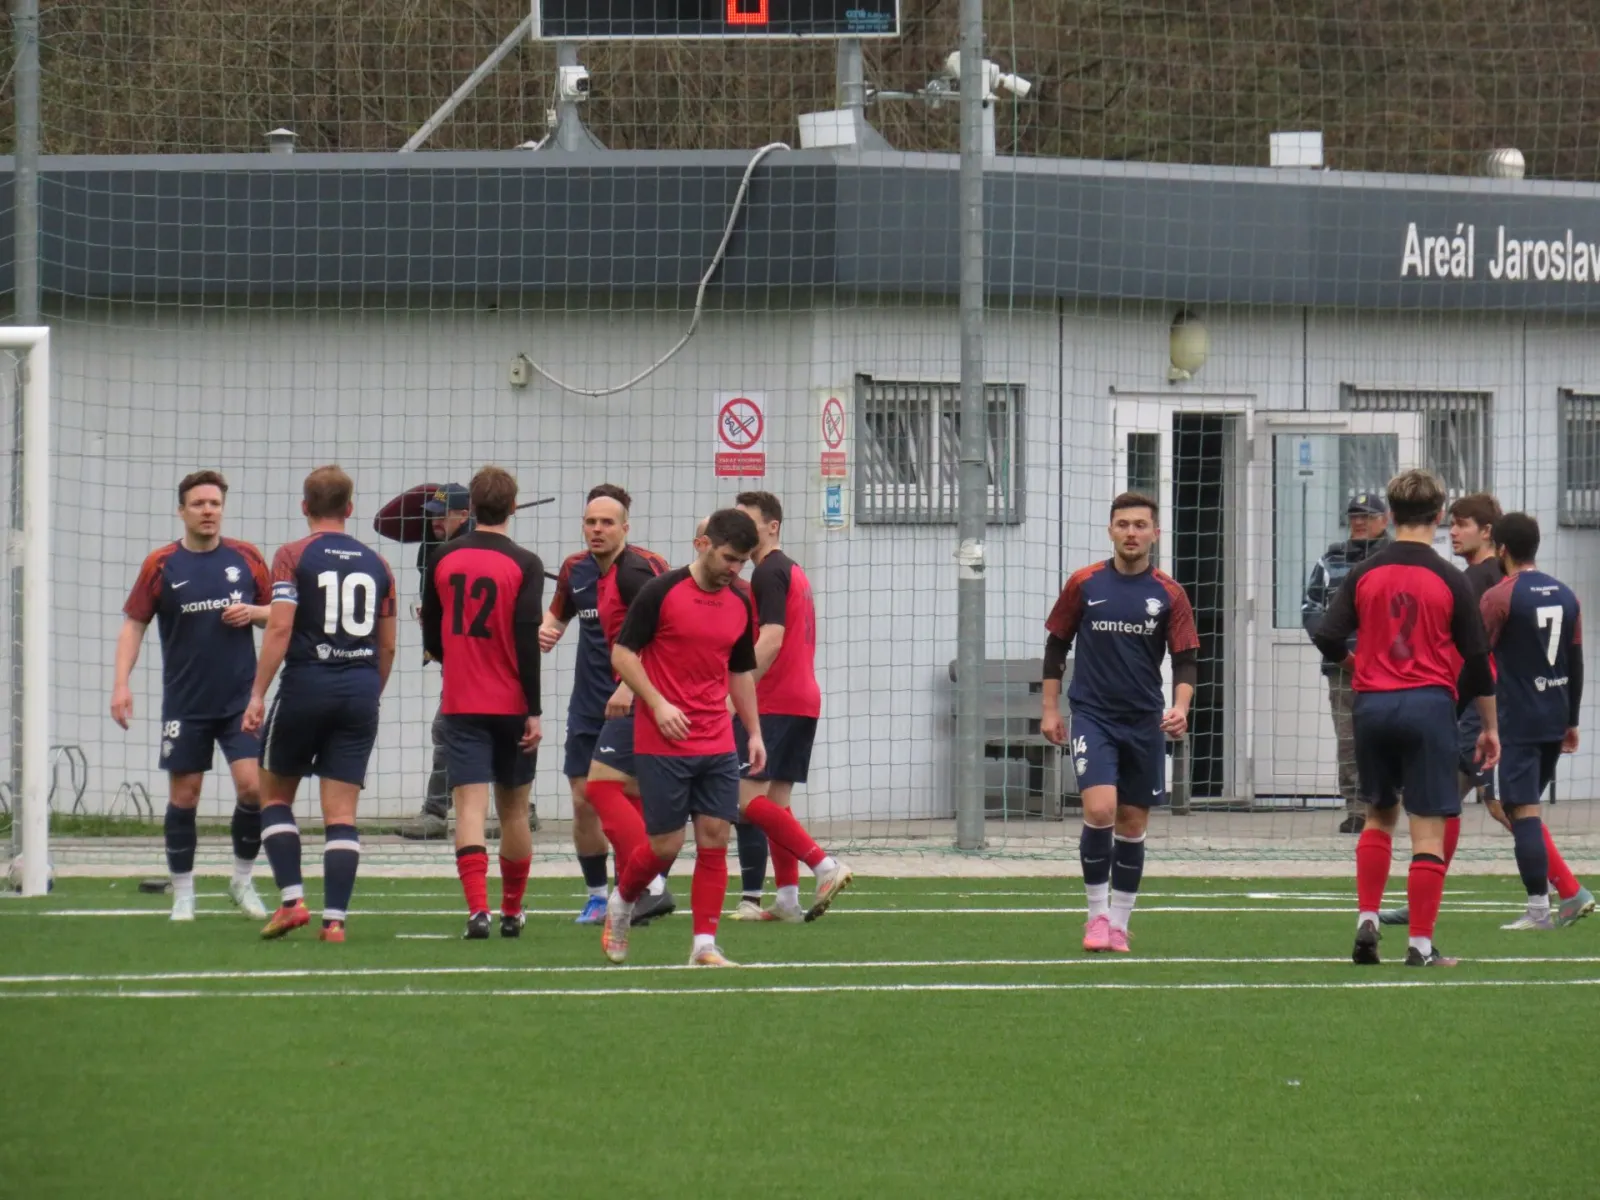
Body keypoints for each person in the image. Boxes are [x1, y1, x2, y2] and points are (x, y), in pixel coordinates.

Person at [1312, 468, 1498, 968]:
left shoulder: (1364, 572)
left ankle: (1367, 917)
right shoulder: (1451, 578)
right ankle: (1419, 945)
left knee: (1378, 814)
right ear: (1439, 517)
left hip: (1372, 706)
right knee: (1428, 828)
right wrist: (1489, 726)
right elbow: (1478, 661)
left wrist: (1356, 665)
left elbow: (1327, 635)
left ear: (1391, 515)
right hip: (1428, 705)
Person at [599, 508, 765, 968]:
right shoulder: (660, 591)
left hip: (716, 739)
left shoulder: (740, 603)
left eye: (743, 561)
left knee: (715, 837)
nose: (735, 568)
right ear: (702, 545)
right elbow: (623, 654)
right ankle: (622, 901)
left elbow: (739, 672)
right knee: (666, 845)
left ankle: (704, 946)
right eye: (729, 558)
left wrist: (753, 732)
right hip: (663, 740)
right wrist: (657, 703)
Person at [243, 465, 398, 943]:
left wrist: (257, 693)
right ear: (349, 508)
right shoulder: (378, 564)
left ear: (304, 506)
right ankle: (335, 922)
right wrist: (369, 692)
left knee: (274, 796)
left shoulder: (292, 555)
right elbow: (388, 644)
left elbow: (280, 627)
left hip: (306, 686)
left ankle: (292, 902)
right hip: (359, 690)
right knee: (342, 813)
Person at [111, 470, 273, 922]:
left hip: (240, 700)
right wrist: (121, 683)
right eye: (199, 504)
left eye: (215, 504)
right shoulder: (161, 564)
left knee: (253, 788)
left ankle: (242, 880)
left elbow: (279, 616)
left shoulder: (247, 558)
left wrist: (254, 612)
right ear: (181, 511)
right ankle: (183, 893)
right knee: (186, 796)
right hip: (185, 702)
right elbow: (134, 624)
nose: (208, 511)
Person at [1041, 491, 1199, 955]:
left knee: (1131, 823)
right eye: (1123, 524)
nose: (1131, 533)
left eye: (1140, 525)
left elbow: (1186, 659)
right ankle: (1096, 916)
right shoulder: (1084, 583)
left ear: (1155, 533)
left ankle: (1120, 924)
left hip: (1144, 720)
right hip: (1093, 715)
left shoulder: (1169, 593)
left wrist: (1181, 707)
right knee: (1100, 810)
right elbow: (1056, 646)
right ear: (1111, 530)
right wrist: (1050, 709)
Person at [539, 484, 675, 925]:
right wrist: (546, 630)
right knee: (584, 799)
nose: (597, 529)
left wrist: (630, 688)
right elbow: (558, 614)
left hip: (633, 699)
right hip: (588, 702)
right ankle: (600, 895)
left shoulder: (644, 570)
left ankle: (641, 888)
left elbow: (663, 634)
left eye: (607, 522)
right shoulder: (575, 569)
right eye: (591, 522)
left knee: (626, 796)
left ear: (625, 527)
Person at [422, 466, 545, 939]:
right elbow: (527, 639)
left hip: (462, 699)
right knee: (513, 810)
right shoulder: (526, 563)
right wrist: (534, 709)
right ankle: (511, 911)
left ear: (471, 507)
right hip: (511, 702)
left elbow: (432, 632)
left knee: (468, 808)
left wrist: (453, 658)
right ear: (513, 507)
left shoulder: (443, 557)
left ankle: (478, 911)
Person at [1377, 492, 1501, 925]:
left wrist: (1459, 704)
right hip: (1473, 705)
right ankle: (1423, 898)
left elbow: (1477, 656)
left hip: (1473, 707)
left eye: (1464, 525)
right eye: (1453, 523)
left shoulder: (1475, 580)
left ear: (1487, 532)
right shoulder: (1479, 577)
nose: (1455, 532)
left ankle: (1566, 887)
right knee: (1456, 800)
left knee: (1495, 803)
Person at [728, 491, 850, 923]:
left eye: (748, 521)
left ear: (772, 526)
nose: (740, 530)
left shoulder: (767, 571)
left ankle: (824, 865)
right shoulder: (791, 569)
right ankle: (786, 899)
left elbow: (772, 638)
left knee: (745, 800)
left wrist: (736, 694)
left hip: (775, 700)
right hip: (802, 698)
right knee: (776, 804)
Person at [1478, 513, 1595, 929]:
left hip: (1518, 719)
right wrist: (1572, 719)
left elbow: (1476, 656)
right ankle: (1552, 901)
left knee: (1520, 810)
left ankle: (1539, 911)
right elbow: (1576, 660)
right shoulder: (1566, 594)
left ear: (1502, 549)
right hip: (1555, 715)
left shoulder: (1499, 596)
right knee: (1522, 807)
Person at [383, 482, 474, 841]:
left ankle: (436, 812)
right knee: (484, 729)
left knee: (447, 728)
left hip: (476, 657)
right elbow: (385, 522)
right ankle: (521, 807)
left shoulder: (474, 549)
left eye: (443, 515)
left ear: (464, 515)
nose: (435, 521)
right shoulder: (433, 548)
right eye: (432, 515)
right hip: (454, 655)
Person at [1302, 492, 1391, 833]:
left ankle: (1386, 804)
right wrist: (1336, 648)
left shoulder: (1396, 558)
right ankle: (1356, 810)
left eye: (1367, 516)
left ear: (1385, 520)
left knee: (1387, 738)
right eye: (1354, 516)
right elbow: (1311, 608)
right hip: (1343, 669)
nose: (1359, 522)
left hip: (1390, 670)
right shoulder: (1330, 560)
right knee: (1349, 740)